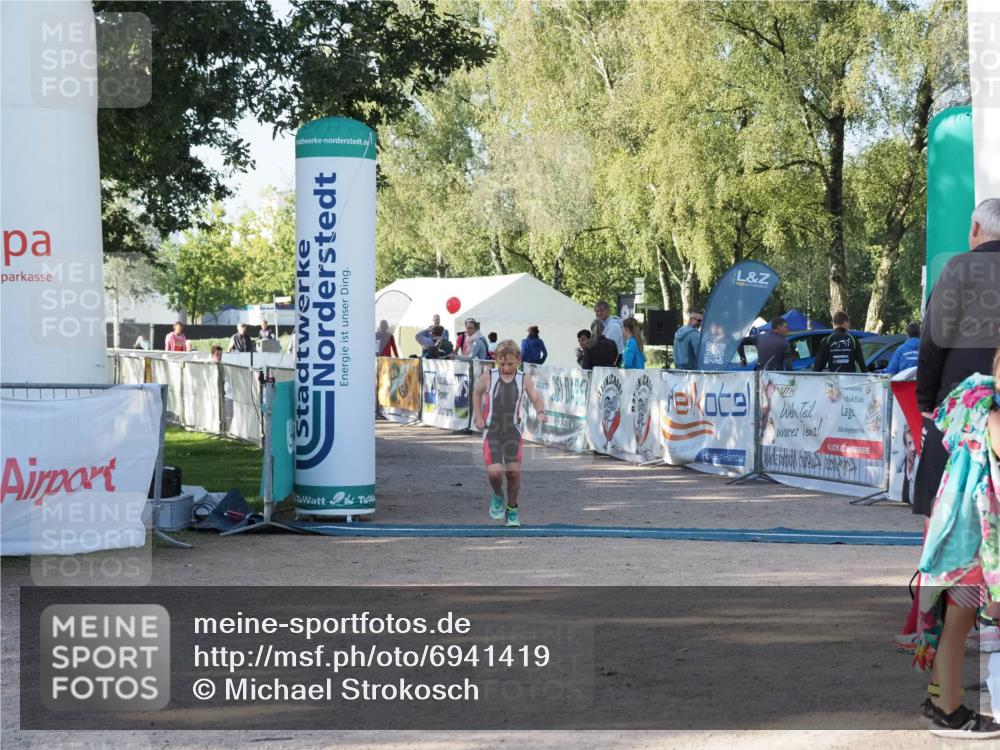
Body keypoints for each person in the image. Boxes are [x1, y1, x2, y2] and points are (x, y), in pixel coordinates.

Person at [913, 348, 1000, 738]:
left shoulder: (971, 403)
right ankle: (946, 709)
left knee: (955, 623)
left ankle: (941, 703)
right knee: (961, 621)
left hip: (955, 532)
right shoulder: (993, 419)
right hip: (972, 541)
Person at [914, 198, 1000, 520]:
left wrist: (925, 399)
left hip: (960, 409)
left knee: (942, 510)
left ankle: (938, 571)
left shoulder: (959, 267)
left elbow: (933, 340)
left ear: (976, 228)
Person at [472, 339, 547, 528]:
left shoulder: (524, 379)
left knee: (513, 474)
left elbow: (536, 398)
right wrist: (479, 416)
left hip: (512, 431)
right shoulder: (489, 375)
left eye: (510, 364)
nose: (506, 367)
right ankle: (498, 495)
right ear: (496, 360)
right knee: (495, 473)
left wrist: (540, 412)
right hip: (492, 431)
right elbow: (476, 392)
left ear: (518, 361)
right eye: (502, 363)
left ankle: (512, 509)